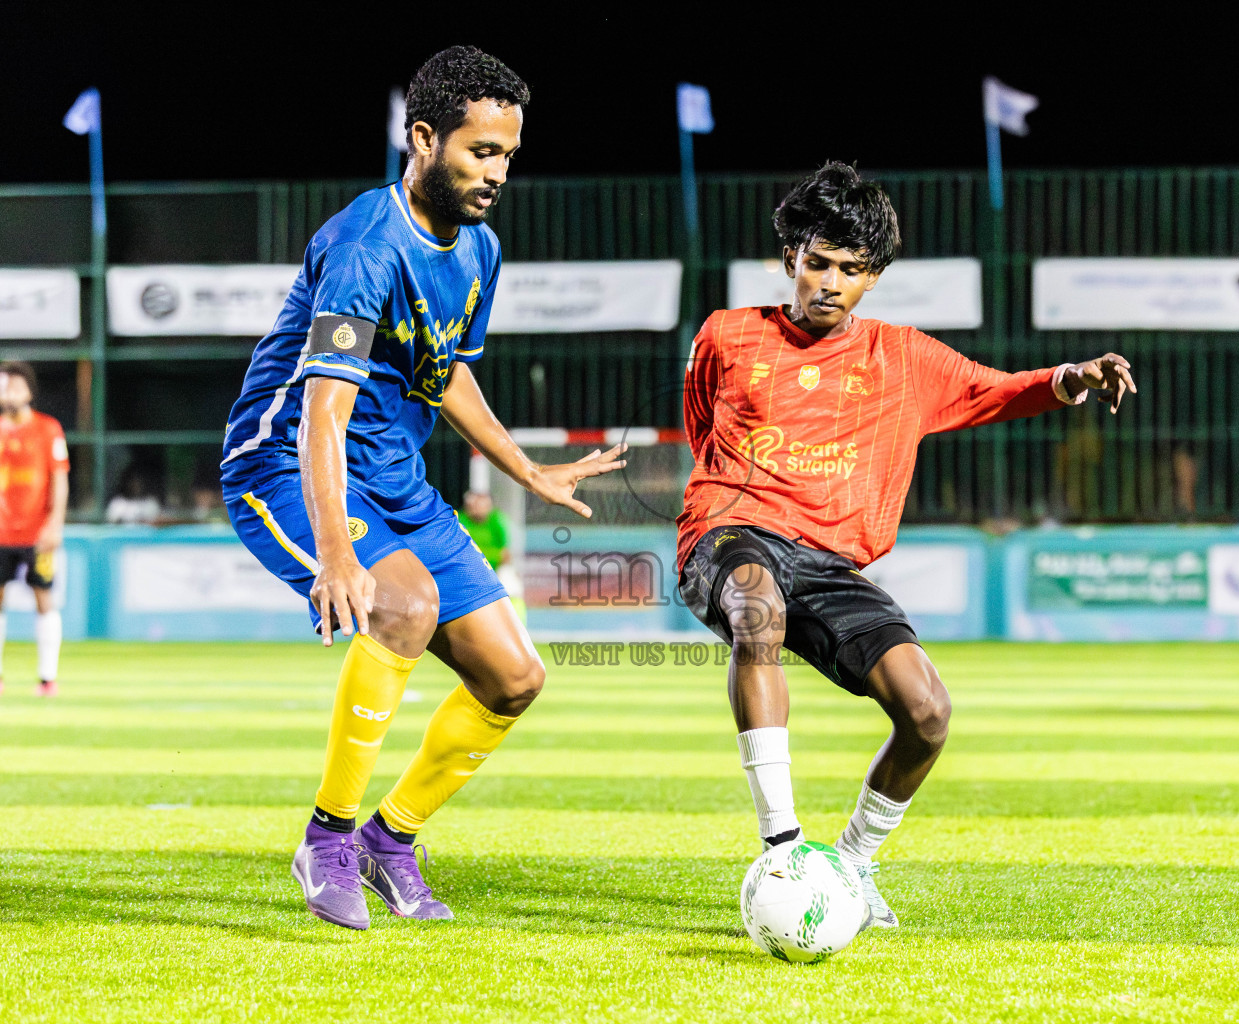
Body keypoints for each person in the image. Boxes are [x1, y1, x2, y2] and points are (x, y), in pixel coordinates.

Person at [220, 46, 624, 931]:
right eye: (481, 152)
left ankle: (388, 841)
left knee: (514, 677)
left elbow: (448, 375)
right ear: (424, 137)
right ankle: (326, 838)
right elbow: (321, 413)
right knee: (399, 602)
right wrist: (335, 556)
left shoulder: (479, 248)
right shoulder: (367, 248)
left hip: (395, 481)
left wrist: (526, 468)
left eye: (509, 156)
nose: (497, 174)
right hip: (284, 465)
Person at [676, 163, 1136, 929]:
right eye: (817, 262)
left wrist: (1071, 376)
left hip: (829, 560)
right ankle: (784, 848)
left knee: (926, 711)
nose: (829, 282)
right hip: (732, 528)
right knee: (757, 609)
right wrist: (733, 505)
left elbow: (994, 389)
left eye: (850, 271)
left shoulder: (904, 358)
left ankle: (853, 865)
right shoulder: (726, 335)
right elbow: (704, 433)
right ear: (792, 256)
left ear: (873, 277)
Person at [0, 361, 69, 697]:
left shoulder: (49, 430)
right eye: (2, 387)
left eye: (14, 386)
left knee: (44, 597)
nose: (8, 393)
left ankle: (47, 679)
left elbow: (60, 480)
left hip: (38, 534)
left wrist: (55, 524)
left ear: (28, 390)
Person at [458, 488, 508, 569]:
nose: (477, 508)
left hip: (494, 570)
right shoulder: (459, 520)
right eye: (473, 505)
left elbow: (505, 554)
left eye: (481, 505)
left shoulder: (496, 520)